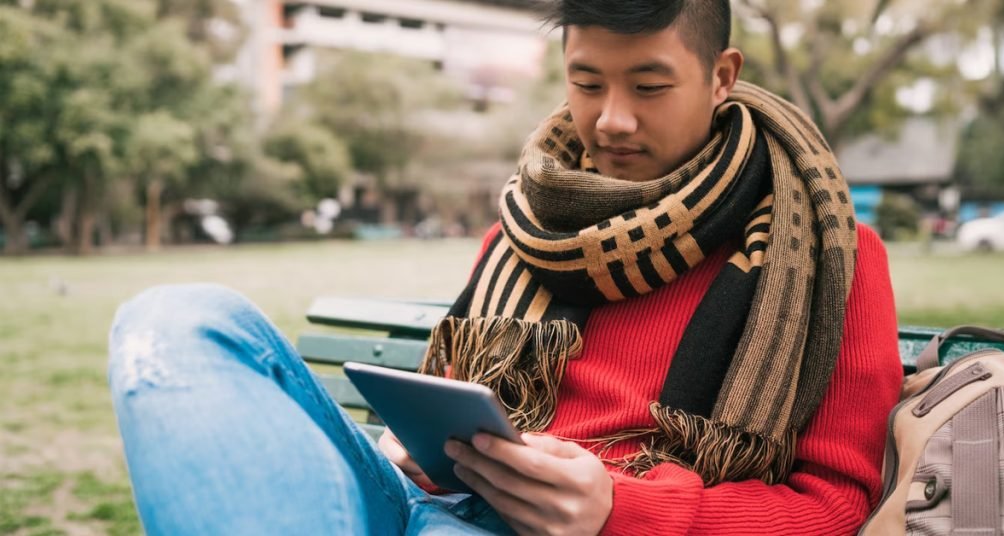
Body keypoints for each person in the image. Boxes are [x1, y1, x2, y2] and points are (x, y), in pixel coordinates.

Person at [108, 1, 904, 534]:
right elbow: (451, 398)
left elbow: (832, 505)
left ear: (722, 76)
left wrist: (618, 508)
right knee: (177, 319)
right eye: (586, 82)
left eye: (650, 86)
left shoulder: (833, 260)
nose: (611, 118)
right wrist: (414, 447)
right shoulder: (527, 226)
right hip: (425, 500)